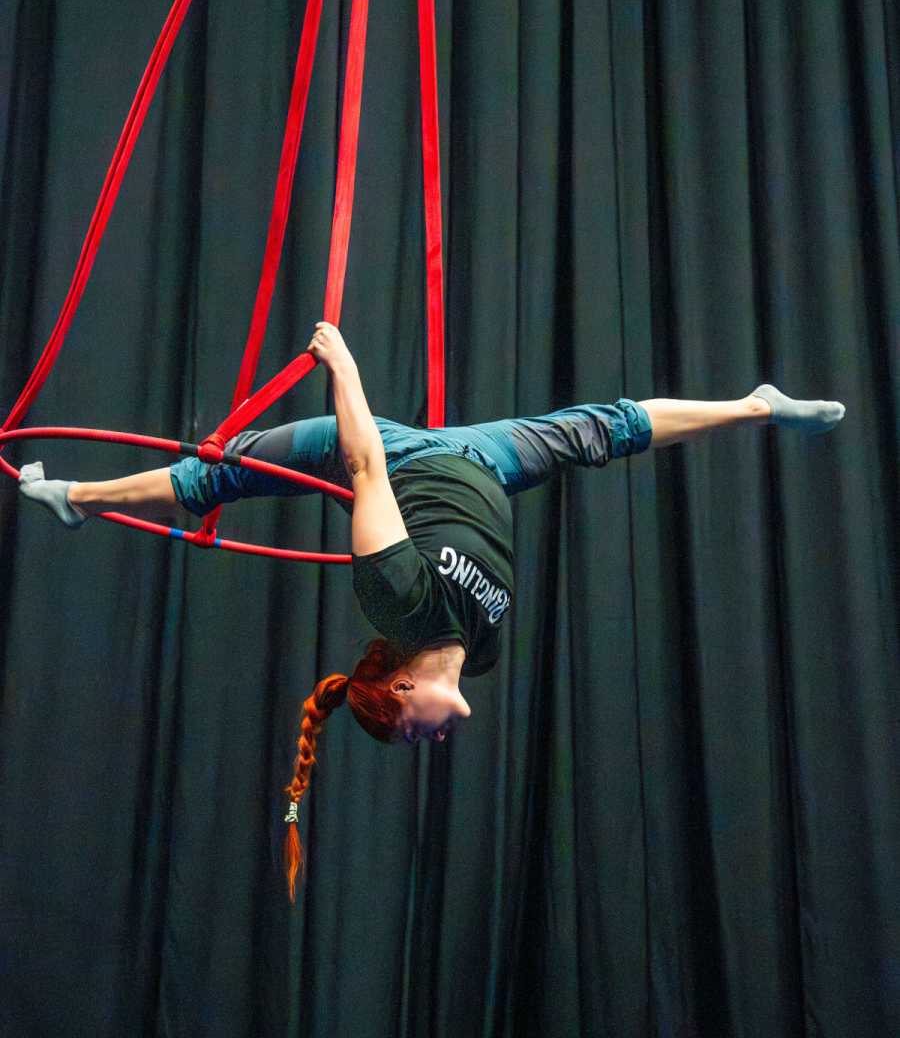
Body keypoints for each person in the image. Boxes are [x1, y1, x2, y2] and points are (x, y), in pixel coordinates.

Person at [17, 322, 846, 898]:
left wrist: (342, 369)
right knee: (603, 431)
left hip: (399, 450)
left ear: (399, 692)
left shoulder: (397, 602)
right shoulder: (479, 651)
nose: (433, 738)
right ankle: (759, 406)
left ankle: (77, 494)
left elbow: (367, 469)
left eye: (413, 732)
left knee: (218, 476)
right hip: (484, 461)